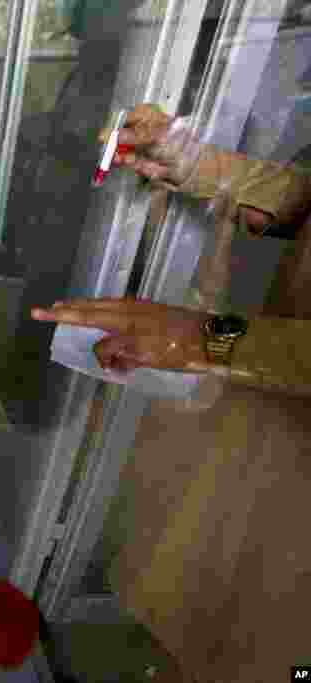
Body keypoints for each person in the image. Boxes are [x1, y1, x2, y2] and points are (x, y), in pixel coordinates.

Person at [32, 103, 311, 682]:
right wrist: (190, 160)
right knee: (214, 611)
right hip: (272, 432)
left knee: (265, 644)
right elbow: (300, 198)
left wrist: (202, 337)